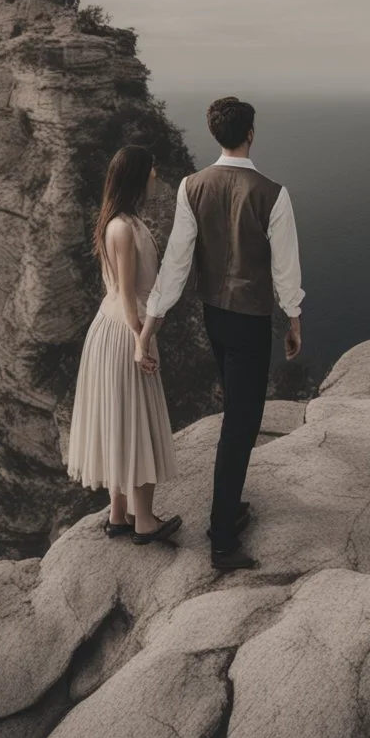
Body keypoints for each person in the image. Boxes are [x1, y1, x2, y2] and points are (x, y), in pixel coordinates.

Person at [139, 96, 305, 570]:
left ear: (216, 135)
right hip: (252, 320)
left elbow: (176, 262)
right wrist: (293, 319)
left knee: (235, 407)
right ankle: (222, 539)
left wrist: (153, 322)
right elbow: (286, 268)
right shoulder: (274, 193)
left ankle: (229, 508)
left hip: (214, 314)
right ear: (250, 133)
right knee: (241, 424)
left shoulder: (191, 186)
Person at [66, 144, 182, 545]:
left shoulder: (122, 223)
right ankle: (145, 522)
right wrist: (141, 341)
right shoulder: (123, 228)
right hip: (125, 331)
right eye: (151, 169)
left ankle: (118, 514)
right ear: (137, 175)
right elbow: (130, 296)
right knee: (138, 422)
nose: (155, 176)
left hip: (114, 330)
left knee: (120, 418)